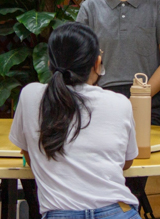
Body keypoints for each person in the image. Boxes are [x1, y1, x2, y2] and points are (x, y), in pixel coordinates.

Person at [76, 0, 160, 217]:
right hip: (100, 103)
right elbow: (81, 61)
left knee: (133, 184)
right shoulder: (90, 7)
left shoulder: (158, 4)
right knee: (100, 182)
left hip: (145, 103)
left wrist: (143, 95)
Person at [9, 22, 141, 219]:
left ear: (48, 64)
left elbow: (28, 153)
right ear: (97, 64)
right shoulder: (120, 103)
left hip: (60, 214)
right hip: (117, 211)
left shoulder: (30, 96)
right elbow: (126, 161)